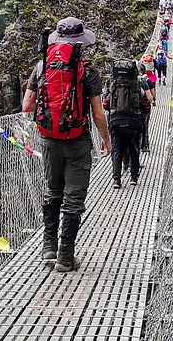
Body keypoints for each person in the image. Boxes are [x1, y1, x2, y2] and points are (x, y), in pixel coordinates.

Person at [23, 17, 111, 272]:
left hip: (49, 140)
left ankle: (48, 245)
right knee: (74, 199)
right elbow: (98, 114)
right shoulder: (89, 71)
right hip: (78, 141)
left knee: (53, 190)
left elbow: (27, 106)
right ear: (81, 44)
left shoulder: (41, 67)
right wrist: (105, 139)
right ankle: (65, 256)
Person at [102, 60, 151, 189]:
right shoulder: (138, 85)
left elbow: (105, 104)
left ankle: (116, 180)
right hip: (133, 121)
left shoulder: (113, 84)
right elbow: (146, 104)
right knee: (134, 149)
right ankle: (133, 178)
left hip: (115, 121)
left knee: (117, 149)